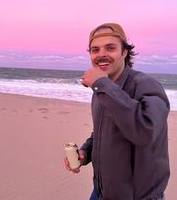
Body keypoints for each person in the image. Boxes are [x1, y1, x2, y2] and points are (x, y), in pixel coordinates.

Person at [64, 23, 170, 199]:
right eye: (95, 50)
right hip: (100, 192)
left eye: (110, 48)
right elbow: (102, 131)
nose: (101, 54)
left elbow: (146, 132)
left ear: (124, 52)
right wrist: (85, 153)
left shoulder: (146, 84)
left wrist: (101, 84)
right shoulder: (102, 90)